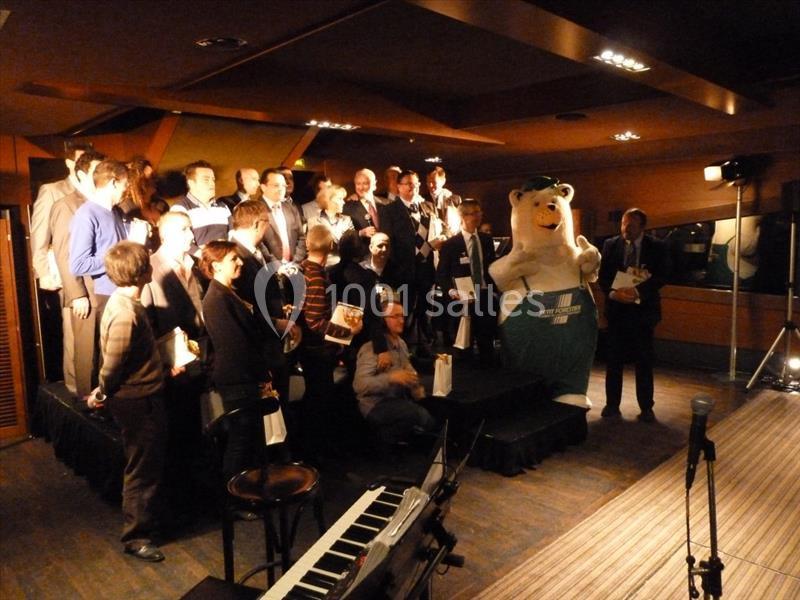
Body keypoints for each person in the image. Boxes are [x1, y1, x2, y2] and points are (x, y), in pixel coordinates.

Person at [87, 241, 169, 562]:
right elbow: (112, 364)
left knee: (146, 465)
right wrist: (102, 391)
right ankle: (136, 536)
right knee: (141, 469)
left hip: (142, 397)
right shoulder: (124, 312)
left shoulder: (125, 304)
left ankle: (143, 526)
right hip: (138, 401)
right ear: (142, 272)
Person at [201, 240, 273, 479]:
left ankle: (245, 493)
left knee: (247, 439)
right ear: (216, 265)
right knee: (240, 441)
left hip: (243, 378)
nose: (240, 262)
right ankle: (234, 500)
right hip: (238, 380)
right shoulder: (217, 298)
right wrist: (261, 375)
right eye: (233, 259)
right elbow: (235, 346)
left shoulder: (227, 293)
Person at [30, 141, 93, 394]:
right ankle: (75, 390)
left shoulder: (94, 190)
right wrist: (43, 271)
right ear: (69, 163)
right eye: (81, 160)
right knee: (74, 328)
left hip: (92, 270)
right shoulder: (53, 190)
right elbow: (40, 234)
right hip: (66, 269)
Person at [599, 208, 669, 422]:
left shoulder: (656, 247)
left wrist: (638, 291)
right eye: (623, 224)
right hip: (618, 312)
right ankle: (612, 405)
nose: (625, 229)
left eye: (631, 225)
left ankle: (646, 407)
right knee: (613, 361)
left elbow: (663, 275)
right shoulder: (610, 245)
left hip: (643, 313)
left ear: (642, 227)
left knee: (644, 361)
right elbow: (603, 276)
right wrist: (613, 294)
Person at [299, 225, 362, 459]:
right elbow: (315, 321)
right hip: (317, 350)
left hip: (311, 349)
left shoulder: (304, 269)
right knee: (319, 400)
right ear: (331, 247)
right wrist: (347, 330)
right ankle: (316, 453)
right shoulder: (315, 276)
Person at [49, 149, 106, 398]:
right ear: (81, 174)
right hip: (85, 290)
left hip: (106, 289)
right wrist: (76, 294)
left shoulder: (104, 204)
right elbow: (63, 253)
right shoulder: (66, 205)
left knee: (107, 350)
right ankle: (86, 403)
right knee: (86, 353)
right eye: (96, 172)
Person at [353, 301, 436, 445]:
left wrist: (415, 385)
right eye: (395, 316)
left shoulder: (401, 343)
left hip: (396, 399)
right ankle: (381, 443)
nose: (402, 320)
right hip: (375, 404)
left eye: (402, 316)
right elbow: (359, 385)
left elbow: (408, 368)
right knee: (420, 416)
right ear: (382, 320)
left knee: (433, 407)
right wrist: (390, 378)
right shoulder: (372, 348)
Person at [377, 169, 440, 354]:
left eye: (416, 183)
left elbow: (435, 232)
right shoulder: (389, 209)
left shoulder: (428, 206)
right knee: (406, 312)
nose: (414, 187)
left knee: (426, 310)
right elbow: (388, 242)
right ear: (399, 186)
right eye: (409, 184)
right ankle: (405, 350)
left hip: (426, 269)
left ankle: (427, 348)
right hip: (403, 270)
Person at [436, 199, 497, 365]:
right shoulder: (451, 244)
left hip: (485, 294)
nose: (478, 216)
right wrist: (451, 291)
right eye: (473, 213)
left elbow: (491, 267)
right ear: (462, 216)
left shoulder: (486, 240)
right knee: (464, 345)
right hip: (462, 298)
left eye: (479, 212)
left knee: (487, 342)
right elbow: (441, 273)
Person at [171, 160, 230, 254]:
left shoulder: (222, 207)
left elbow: (233, 235)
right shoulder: (180, 208)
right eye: (206, 180)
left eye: (213, 180)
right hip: (201, 264)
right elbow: (181, 243)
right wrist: (208, 259)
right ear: (191, 183)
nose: (212, 184)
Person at [259, 168, 306, 263]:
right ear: (263, 187)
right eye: (276, 185)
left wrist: (295, 261)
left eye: (283, 185)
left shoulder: (291, 208)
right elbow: (258, 243)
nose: (281, 189)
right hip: (270, 269)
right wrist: (277, 265)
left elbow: (301, 237)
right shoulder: (255, 209)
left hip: (294, 266)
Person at [307, 184, 355, 263]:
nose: (343, 202)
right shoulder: (314, 222)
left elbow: (352, 244)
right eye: (340, 199)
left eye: (343, 199)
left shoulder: (347, 220)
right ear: (328, 200)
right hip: (324, 265)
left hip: (345, 265)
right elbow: (314, 248)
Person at [343, 168, 384, 253]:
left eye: (365, 183)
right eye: (358, 184)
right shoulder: (347, 207)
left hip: (386, 254)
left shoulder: (386, 203)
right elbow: (344, 236)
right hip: (362, 257)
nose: (361, 188)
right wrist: (361, 233)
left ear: (374, 184)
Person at [427, 166, 462, 237]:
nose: (430, 185)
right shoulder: (423, 200)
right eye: (428, 182)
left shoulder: (455, 199)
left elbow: (461, 222)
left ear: (443, 181)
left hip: (452, 238)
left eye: (434, 182)